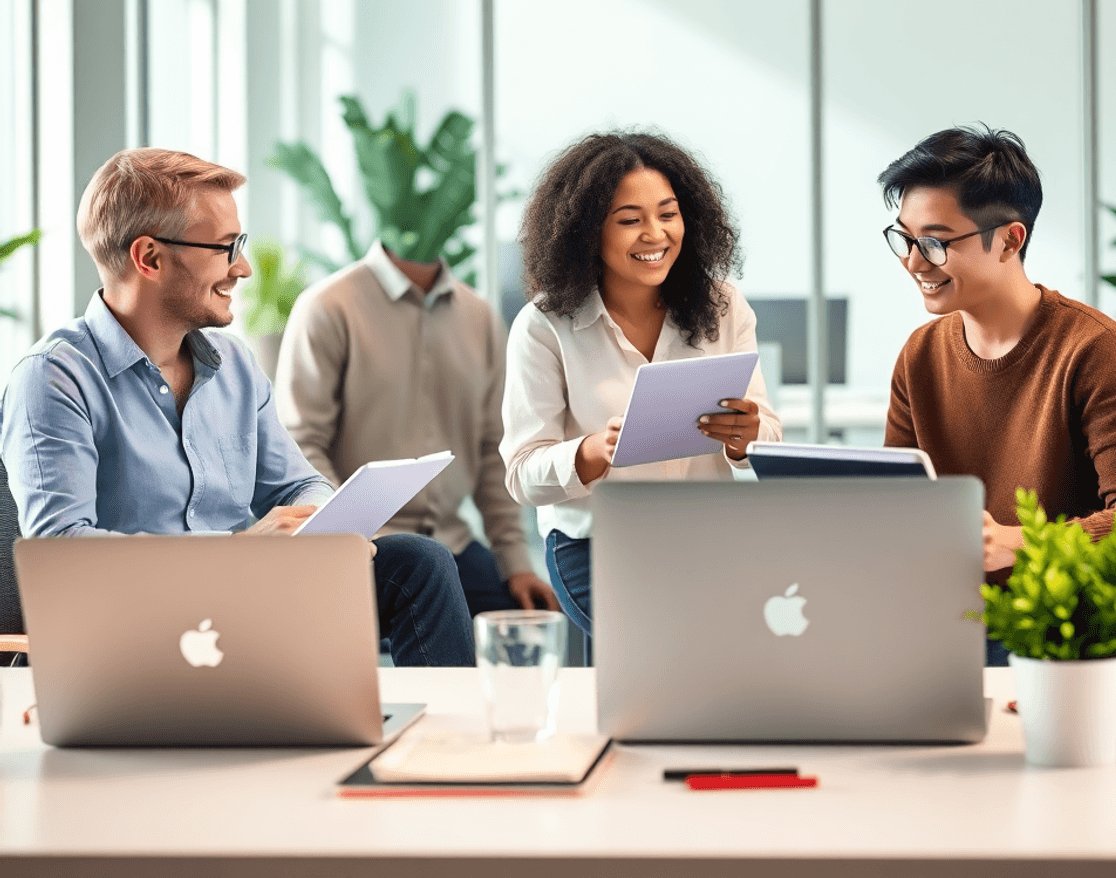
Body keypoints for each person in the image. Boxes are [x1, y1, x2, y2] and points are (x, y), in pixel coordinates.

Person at [0, 149, 475, 667]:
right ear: (149, 258)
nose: (243, 268)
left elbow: (297, 484)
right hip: (135, 635)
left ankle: (445, 745)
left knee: (420, 564)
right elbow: (61, 555)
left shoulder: (234, 366)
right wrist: (238, 555)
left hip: (243, 609)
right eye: (225, 248)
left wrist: (323, 526)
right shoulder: (53, 376)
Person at [878, 126, 1116, 664]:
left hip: (1080, 631)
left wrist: (1017, 542)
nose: (914, 262)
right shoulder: (919, 355)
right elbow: (897, 507)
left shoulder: (1101, 350)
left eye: (935, 242)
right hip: (957, 624)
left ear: (1011, 240)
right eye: (904, 238)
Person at [500, 131, 783, 639]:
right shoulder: (544, 326)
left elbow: (770, 440)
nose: (655, 234)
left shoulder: (724, 306)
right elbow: (522, 474)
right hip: (597, 547)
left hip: (711, 539)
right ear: (587, 232)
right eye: (630, 220)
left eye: (668, 214)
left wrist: (747, 437)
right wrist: (592, 451)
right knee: (667, 657)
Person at [275, 241, 559, 619]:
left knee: (523, 630)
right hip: (366, 544)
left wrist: (517, 563)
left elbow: (495, 451)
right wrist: (347, 533)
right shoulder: (327, 307)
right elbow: (301, 445)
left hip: (452, 541)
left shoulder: (479, 316)